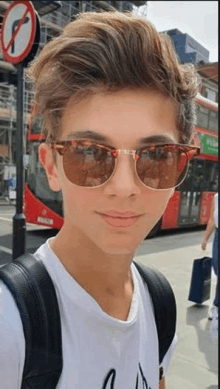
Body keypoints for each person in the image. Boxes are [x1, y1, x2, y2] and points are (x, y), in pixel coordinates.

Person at [0, 11, 200, 389]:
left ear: (180, 166)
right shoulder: (10, 327)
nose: (124, 187)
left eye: (157, 155)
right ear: (52, 166)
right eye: (89, 153)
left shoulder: (160, 303)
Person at [201, 192, 218, 320]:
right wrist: (205, 239)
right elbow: (212, 219)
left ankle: (216, 305)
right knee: (216, 268)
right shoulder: (217, 197)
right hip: (218, 237)